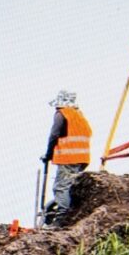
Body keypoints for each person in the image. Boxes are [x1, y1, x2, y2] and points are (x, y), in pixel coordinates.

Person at [41, 90, 92, 227]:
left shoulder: (62, 114)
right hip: (82, 158)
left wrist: (48, 155)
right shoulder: (79, 115)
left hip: (68, 157)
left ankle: (61, 219)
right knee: (71, 186)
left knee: (61, 187)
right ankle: (70, 214)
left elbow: (54, 135)